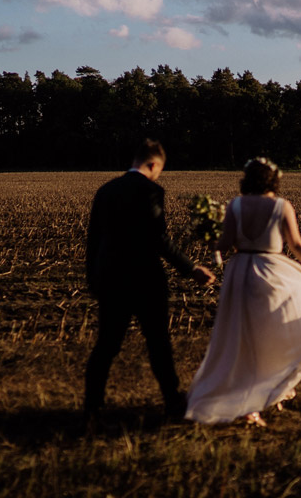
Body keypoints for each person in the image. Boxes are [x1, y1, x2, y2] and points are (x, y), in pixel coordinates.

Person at [186, 157, 301, 427]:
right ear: (273, 180)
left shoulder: (235, 205)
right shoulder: (282, 206)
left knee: (241, 341)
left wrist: (209, 235)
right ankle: (263, 395)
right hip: (270, 273)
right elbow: (296, 244)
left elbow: (225, 244)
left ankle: (249, 399)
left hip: (239, 274)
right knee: (271, 336)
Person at [84, 139, 216, 420]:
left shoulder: (105, 191)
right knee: (158, 342)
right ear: (154, 164)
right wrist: (191, 268)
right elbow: (158, 239)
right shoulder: (151, 191)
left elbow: (93, 240)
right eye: (160, 170)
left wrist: (93, 279)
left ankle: (92, 404)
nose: (159, 175)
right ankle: (172, 400)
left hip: (110, 278)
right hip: (145, 279)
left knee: (107, 344)